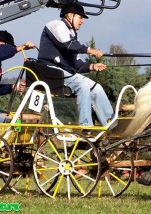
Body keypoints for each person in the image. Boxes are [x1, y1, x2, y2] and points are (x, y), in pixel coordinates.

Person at [37, 2, 115, 130]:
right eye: (80, 17)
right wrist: (91, 50)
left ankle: (111, 125)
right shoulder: (56, 25)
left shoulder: (72, 35)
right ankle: (86, 127)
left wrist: (92, 67)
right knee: (83, 85)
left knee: (97, 88)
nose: (82, 21)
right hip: (51, 72)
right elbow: (68, 45)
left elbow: (76, 63)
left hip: (64, 74)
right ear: (70, 16)